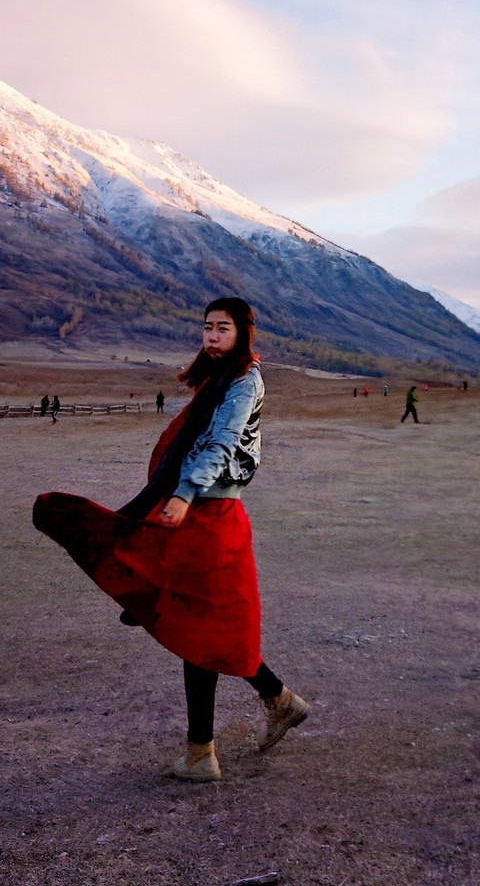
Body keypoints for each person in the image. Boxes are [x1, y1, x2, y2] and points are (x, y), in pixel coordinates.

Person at [33, 297, 307, 784]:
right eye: (207, 328)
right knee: (205, 626)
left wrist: (183, 492)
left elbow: (223, 443)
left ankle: (207, 750)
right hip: (195, 514)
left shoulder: (244, 380)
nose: (212, 336)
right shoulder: (215, 377)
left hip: (209, 514)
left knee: (200, 630)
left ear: (244, 333)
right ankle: (276, 702)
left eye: (223, 328)